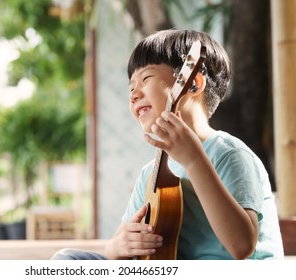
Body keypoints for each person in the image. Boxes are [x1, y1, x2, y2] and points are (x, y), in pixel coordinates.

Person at [51, 29, 284, 260]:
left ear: (191, 84)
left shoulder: (230, 154)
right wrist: (121, 246)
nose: (133, 94)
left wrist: (194, 160)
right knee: (67, 261)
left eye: (146, 79)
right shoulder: (150, 174)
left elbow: (242, 246)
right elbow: (113, 248)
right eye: (131, 87)